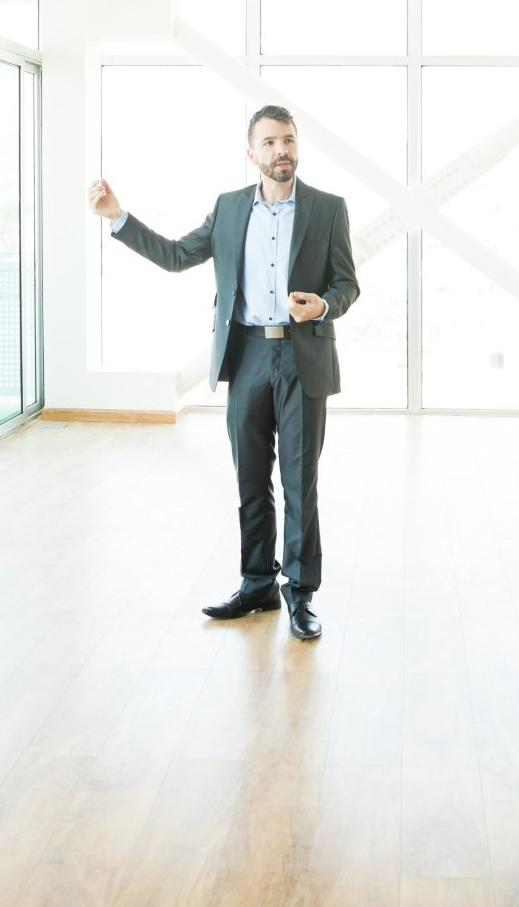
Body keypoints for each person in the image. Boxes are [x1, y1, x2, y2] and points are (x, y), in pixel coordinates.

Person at [88, 105, 359, 640]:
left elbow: (346, 283)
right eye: (271, 143)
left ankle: (300, 594)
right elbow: (174, 255)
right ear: (252, 153)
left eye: (289, 140)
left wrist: (322, 306)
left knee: (300, 484)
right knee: (250, 478)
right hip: (248, 356)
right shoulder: (230, 209)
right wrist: (118, 217)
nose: (282, 151)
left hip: (303, 356)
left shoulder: (329, 209)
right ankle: (257, 582)